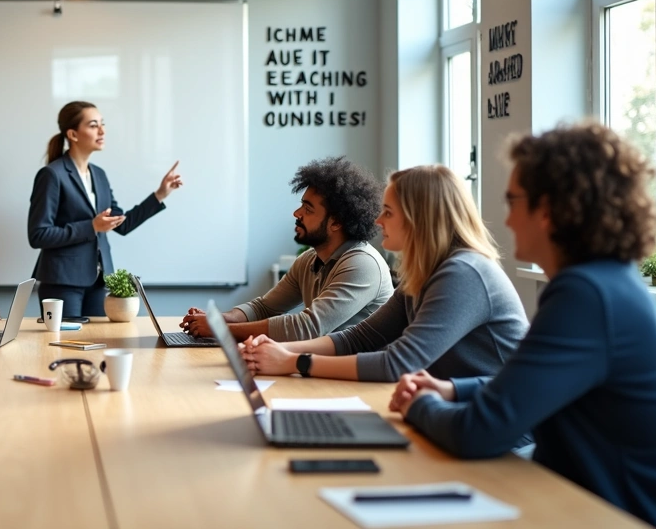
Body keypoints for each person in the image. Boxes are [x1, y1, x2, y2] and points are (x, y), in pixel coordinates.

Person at [389, 123, 656, 528]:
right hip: (593, 503)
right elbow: (528, 383)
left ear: (546, 211)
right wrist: (450, 390)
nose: (505, 219)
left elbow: (478, 433)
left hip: (632, 517)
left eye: (512, 201)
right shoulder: (603, 281)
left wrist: (418, 404)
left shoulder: (586, 296)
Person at [240, 165, 528, 382]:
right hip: (453, 414)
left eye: (388, 212)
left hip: (502, 438)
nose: (377, 220)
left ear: (419, 220)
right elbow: (360, 339)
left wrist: (294, 362)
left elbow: (397, 364)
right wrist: (280, 350)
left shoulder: (463, 273)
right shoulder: (427, 271)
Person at [180, 156, 393, 342]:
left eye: (308, 209)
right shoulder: (309, 260)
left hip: (362, 381)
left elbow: (307, 327)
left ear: (335, 222)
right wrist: (218, 319)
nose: (296, 213)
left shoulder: (363, 264)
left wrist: (222, 330)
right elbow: (264, 308)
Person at [27, 100, 182, 318]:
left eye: (102, 124)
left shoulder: (99, 175)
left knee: (97, 347)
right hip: (62, 282)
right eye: (93, 125)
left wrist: (159, 195)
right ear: (72, 134)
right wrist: (91, 226)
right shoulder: (52, 175)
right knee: (62, 348)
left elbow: (123, 223)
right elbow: (38, 235)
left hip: (98, 281)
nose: (102, 130)